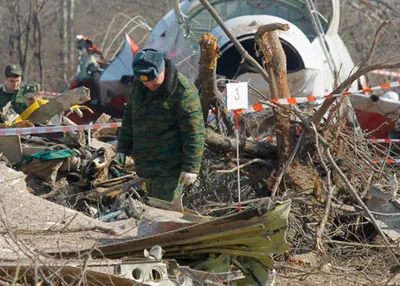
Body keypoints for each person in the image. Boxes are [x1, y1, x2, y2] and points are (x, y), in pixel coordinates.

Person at [117, 48, 205, 211]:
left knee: (165, 211)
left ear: (163, 69)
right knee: (154, 207)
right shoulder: (140, 86)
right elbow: (130, 117)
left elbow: (194, 132)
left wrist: (191, 167)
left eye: (153, 80)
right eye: (145, 81)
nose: (149, 85)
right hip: (148, 164)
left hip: (171, 167)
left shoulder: (182, 91)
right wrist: (123, 148)